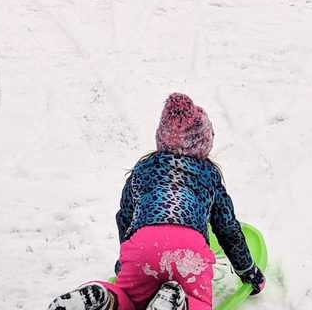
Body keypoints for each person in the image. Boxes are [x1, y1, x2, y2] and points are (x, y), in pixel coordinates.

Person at [48, 93, 265, 310]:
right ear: (203, 143)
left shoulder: (142, 170)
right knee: (198, 302)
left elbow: (125, 218)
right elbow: (228, 230)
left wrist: (125, 264)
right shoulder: (208, 175)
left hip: (143, 245)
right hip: (188, 251)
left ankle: (105, 298)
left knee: (129, 299)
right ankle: (177, 303)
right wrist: (249, 272)